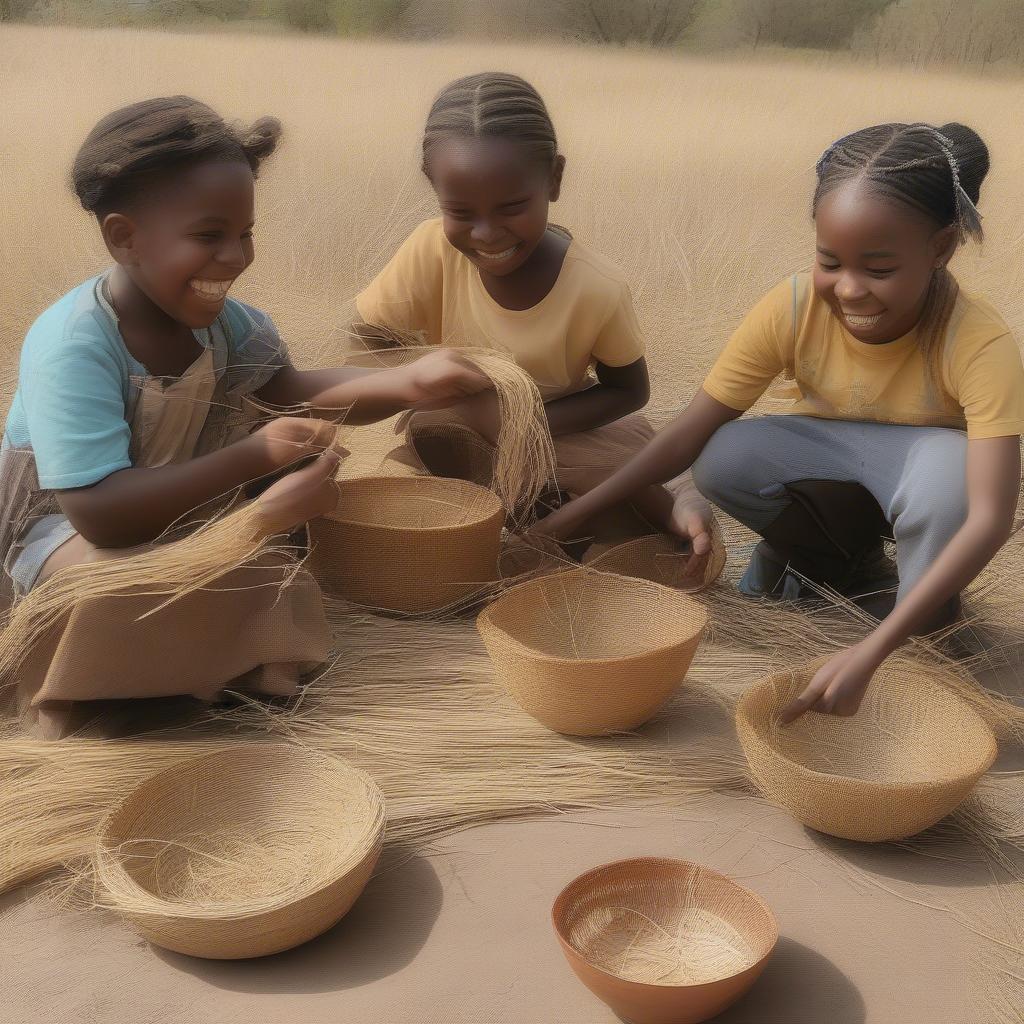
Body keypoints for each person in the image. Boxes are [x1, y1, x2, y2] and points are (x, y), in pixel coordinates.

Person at [1, 96, 491, 736]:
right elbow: (101, 511)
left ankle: (171, 673)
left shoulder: (228, 327)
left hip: (174, 516)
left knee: (257, 574)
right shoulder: (74, 343)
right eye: (208, 236)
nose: (235, 258)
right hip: (62, 538)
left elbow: (292, 391)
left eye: (244, 234)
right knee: (114, 599)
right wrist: (258, 466)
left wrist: (406, 384)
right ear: (124, 238)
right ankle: (88, 693)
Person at [534, 122, 1023, 720]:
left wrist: (872, 653)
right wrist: (571, 517)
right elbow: (687, 435)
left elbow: (992, 516)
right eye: (829, 261)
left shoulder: (979, 341)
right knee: (726, 454)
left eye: (879, 268)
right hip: (842, 476)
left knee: (951, 481)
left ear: (941, 249)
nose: (848, 289)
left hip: (925, 484)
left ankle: (928, 618)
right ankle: (834, 564)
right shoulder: (792, 307)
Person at [355, 71, 712, 564]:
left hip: (556, 437)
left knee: (629, 501)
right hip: (452, 432)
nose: (486, 233)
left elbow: (630, 390)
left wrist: (524, 425)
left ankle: (659, 505)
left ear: (554, 179)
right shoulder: (430, 248)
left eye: (512, 207)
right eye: (460, 211)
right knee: (391, 505)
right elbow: (368, 333)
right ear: (433, 187)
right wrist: (419, 378)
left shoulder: (595, 288)